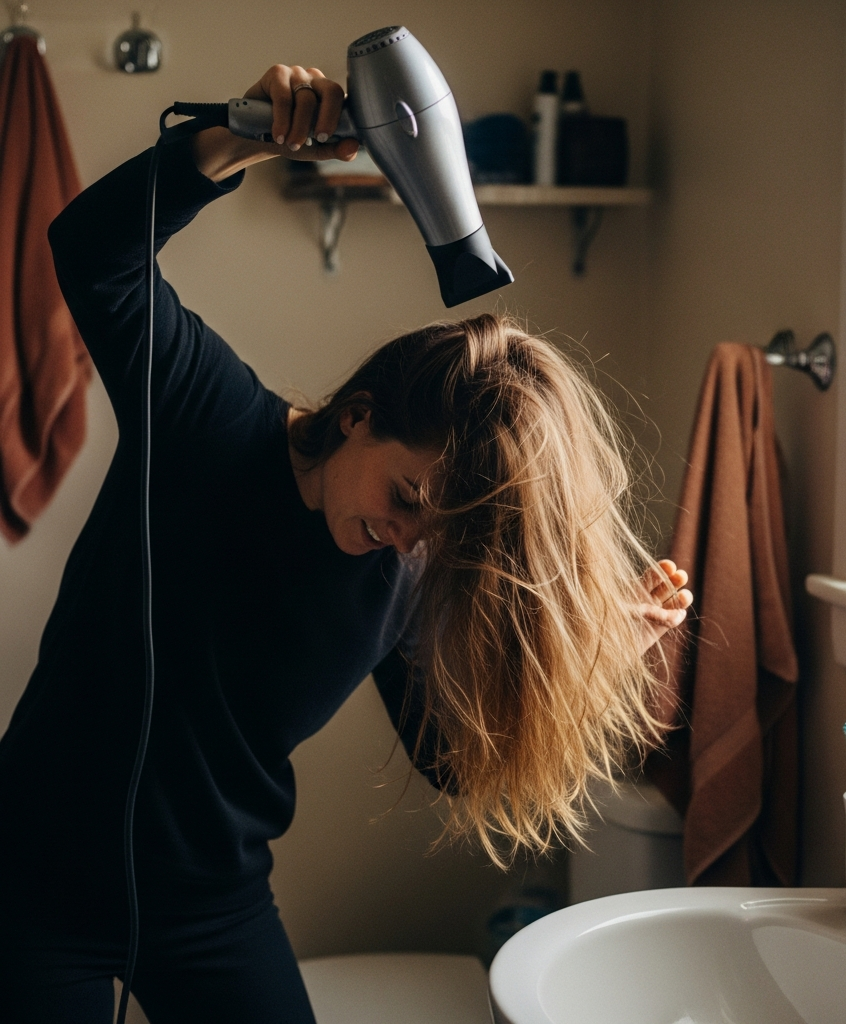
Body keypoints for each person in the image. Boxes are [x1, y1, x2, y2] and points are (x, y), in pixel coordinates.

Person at [0, 65, 692, 1022]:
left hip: (211, 902)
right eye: (407, 494)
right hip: (31, 881)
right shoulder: (208, 418)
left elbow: (451, 762)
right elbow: (89, 251)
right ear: (358, 415)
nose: (403, 537)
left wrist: (600, 655)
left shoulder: (406, 570)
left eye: (432, 531)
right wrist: (240, 139)